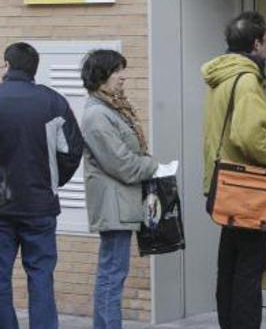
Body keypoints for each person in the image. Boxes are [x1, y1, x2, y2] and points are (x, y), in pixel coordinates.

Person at [0, 42, 83, 329]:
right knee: (41, 274)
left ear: (6, 65)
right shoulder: (54, 102)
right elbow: (71, 152)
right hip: (40, 205)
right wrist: (53, 182)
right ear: (35, 68)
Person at [201, 11, 266, 329]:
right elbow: (248, 134)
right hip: (248, 189)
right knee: (250, 269)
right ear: (256, 43)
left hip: (223, 184)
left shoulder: (221, 76)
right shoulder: (247, 78)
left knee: (230, 266)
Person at [80, 50, 169, 329]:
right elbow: (122, 164)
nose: (123, 77)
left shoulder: (112, 109)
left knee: (114, 272)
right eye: (117, 72)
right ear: (101, 77)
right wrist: (153, 166)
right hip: (113, 204)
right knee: (112, 274)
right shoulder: (97, 115)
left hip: (121, 202)